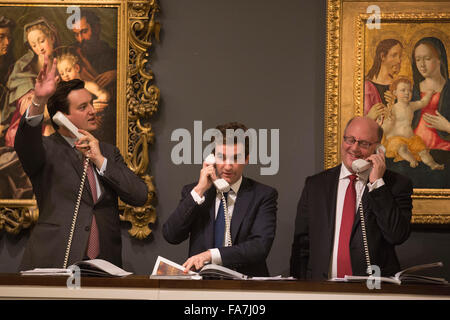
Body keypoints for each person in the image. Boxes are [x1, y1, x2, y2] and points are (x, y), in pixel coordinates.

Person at [14, 56, 148, 270]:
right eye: (83, 107)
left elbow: (139, 195)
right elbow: (25, 141)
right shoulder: (45, 149)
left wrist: (100, 160)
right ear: (61, 117)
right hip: (56, 259)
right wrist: (38, 101)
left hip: (105, 264)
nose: (93, 111)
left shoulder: (107, 152)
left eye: (92, 104)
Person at [290, 116, 412, 280]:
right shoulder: (315, 185)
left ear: (379, 150)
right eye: (350, 140)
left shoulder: (396, 185)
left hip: (372, 290)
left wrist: (376, 184)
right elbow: (301, 245)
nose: (354, 148)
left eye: (364, 143)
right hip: (320, 288)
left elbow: (397, 235)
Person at [163, 122, 278, 277]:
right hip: (202, 289)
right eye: (222, 157)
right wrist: (199, 190)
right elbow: (171, 235)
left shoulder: (263, 195)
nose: (228, 166)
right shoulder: (195, 192)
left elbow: (260, 246)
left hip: (246, 289)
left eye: (236, 158)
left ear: (247, 159)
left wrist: (211, 255)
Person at [382, 76, 443, 170]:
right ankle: (411, 160)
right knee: (402, 148)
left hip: (411, 139)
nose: (407, 93)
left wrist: (429, 94)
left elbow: (423, 102)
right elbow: (384, 129)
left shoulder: (411, 106)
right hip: (396, 140)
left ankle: (433, 164)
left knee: (423, 151)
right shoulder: (392, 109)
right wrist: (390, 121)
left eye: (409, 90)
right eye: (403, 90)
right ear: (395, 93)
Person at [411, 37, 450, 151]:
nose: (422, 65)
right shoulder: (412, 90)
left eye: (427, 58)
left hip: (444, 149)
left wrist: (447, 127)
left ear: (440, 59)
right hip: (416, 150)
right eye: (418, 60)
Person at [56, 51, 110, 126]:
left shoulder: (88, 85)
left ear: (77, 68)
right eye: (62, 74)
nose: (65, 75)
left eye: (68, 70)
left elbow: (104, 94)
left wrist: (99, 104)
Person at [69, 9, 116, 89]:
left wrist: (116, 74)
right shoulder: (71, 51)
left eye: (84, 31)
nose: (80, 39)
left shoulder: (112, 54)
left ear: (97, 28)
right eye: (76, 34)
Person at [364, 39, 403, 120]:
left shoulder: (400, 86)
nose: (399, 61)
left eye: (400, 56)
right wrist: (369, 118)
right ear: (382, 56)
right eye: (394, 55)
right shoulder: (366, 86)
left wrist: (395, 104)